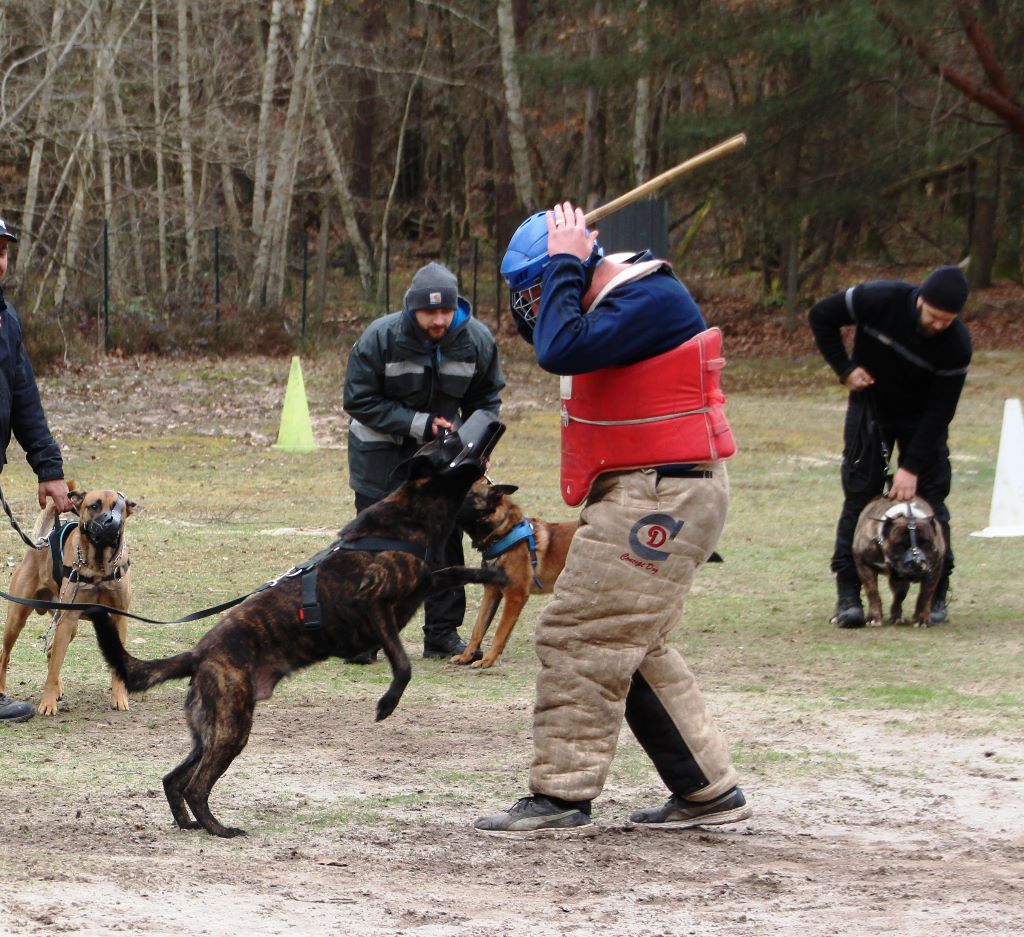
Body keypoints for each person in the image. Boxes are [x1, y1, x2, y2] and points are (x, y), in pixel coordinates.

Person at [473, 202, 751, 837]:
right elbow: (549, 336)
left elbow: (559, 349)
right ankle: (705, 789)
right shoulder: (609, 299)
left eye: (539, 289)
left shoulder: (649, 295)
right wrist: (567, 265)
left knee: (579, 633)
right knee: (634, 643)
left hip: (663, 493)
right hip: (651, 487)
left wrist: (567, 259)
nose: (534, 305)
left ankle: (562, 796)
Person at [343, 261, 504, 661]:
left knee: (445, 539)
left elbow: (486, 401)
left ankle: (442, 633)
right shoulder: (380, 338)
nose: (438, 319)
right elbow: (358, 400)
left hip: (442, 453)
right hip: (380, 451)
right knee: (375, 541)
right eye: (429, 311)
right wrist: (420, 423)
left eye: (445, 311)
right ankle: (364, 635)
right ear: (411, 309)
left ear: (457, 309)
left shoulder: (477, 341)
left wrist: (477, 447)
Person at [808, 264, 971, 629]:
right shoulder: (878, 299)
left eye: (948, 319)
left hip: (922, 421)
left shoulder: (957, 345)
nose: (939, 325)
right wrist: (845, 368)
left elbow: (941, 410)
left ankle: (937, 593)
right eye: (934, 316)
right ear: (920, 301)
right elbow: (821, 315)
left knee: (933, 503)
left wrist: (911, 467)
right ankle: (849, 596)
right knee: (858, 497)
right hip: (871, 410)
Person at [0, 215, 73, 724]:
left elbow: (23, 394)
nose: (0, 260)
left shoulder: (4, 317)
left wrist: (49, 468)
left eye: (3, 251)